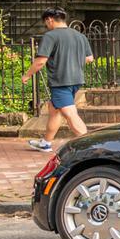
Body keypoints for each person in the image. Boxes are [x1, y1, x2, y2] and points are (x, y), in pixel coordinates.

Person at [23, 8, 94, 151]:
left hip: (61, 81)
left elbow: (40, 61)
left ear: (49, 19)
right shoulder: (80, 36)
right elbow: (89, 59)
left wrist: (27, 75)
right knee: (54, 109)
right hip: (76, 80)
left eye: (46, 22)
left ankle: (89, 146)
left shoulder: (51, 36)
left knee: (70, 114)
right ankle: (46, 143)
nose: (46, 25)